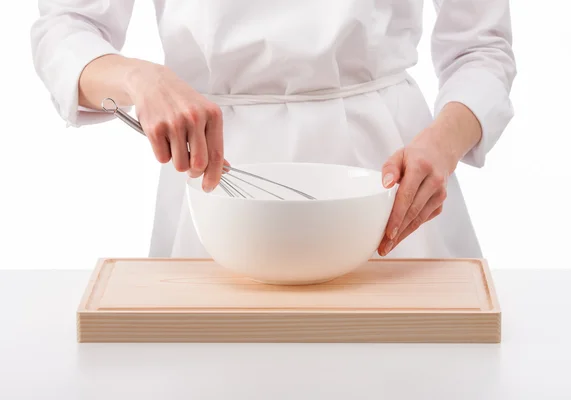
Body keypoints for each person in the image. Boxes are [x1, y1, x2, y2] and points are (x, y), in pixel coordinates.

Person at [30, 1, 516, 259]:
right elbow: (66, 27)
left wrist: (443, 143)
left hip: (390, 188)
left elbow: (482, 48)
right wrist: (140, 77)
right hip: (217, 188)